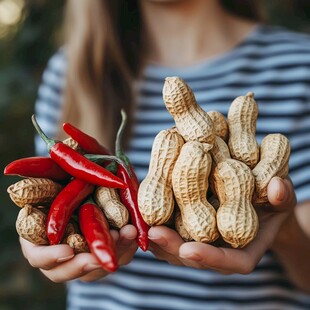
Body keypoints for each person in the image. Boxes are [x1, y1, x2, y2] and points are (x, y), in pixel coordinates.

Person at [20, 0, 310, 309]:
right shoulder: (70, 72)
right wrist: (58, 243)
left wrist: (285, 229)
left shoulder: (300, 67)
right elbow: (56, 202)